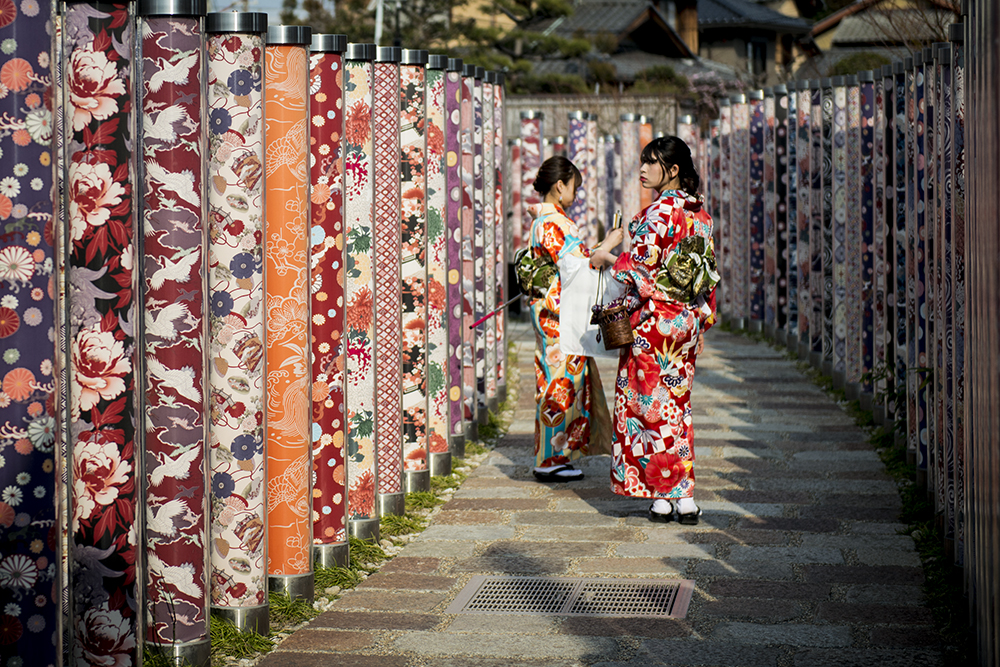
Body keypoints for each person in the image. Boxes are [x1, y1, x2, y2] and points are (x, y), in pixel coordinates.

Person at [609, 136, 719, 523]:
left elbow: (638, 271)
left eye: (651, 163)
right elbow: (706, 276)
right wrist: (701, 321)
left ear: (672, 171)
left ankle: (660, 495)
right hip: (685, 321)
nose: (642, 169)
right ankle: (684, 495)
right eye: (642, 161)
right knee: (678, 407)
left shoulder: (658, 213)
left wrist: (609, 257)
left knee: (648, 408)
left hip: (654, 323)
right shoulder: (700, 216)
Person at [525, 156, 624, 482]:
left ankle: (556, 455)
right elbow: (577, 268)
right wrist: (608, 244)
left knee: (557, 379)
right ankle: (550, 458)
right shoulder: (555, 223)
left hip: (549, 310)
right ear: (560, 185)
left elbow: (574, 261)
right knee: (559, 382)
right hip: (558, 314)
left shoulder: (544, 221)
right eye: (574, 188)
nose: (575, 194)